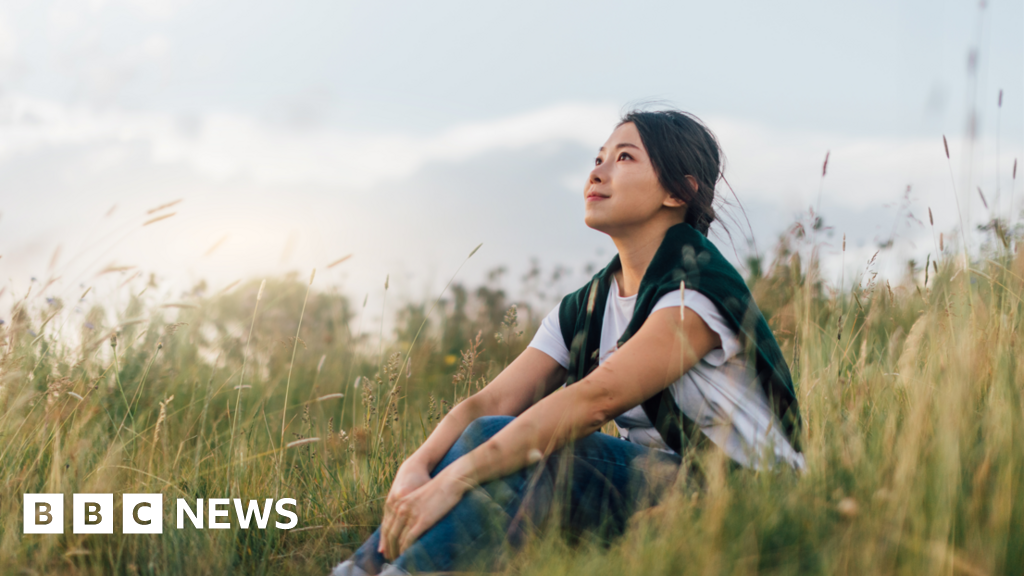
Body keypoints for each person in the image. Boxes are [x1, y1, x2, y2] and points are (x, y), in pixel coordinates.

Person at [330, 108, 804, 576]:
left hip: (745, 499)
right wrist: (417, 467)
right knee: (490, 432)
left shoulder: (695, 290)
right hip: (659, 487)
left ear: (678, 192)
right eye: (598, 158)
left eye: (624, 158)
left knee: (528, 450)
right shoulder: (587, 306)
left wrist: (454, 479)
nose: (597, 172)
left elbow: (597, 399)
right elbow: (490, 403)